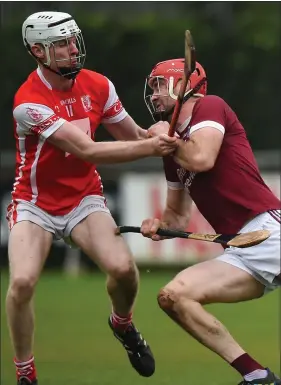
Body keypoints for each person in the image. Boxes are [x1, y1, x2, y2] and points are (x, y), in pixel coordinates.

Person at [6, 11, 178, 385]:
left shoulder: (98, 85)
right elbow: (90, 151)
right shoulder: (28, 102)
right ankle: (25, 373)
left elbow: (131, 134)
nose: (72, 49)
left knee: (123, 271)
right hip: (33, 203)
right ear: (38, 51)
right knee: (21, 283)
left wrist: (157, 131)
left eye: (72, 40)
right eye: (61, 44)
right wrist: (152, 148)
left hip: (84, 199)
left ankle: (123, 324)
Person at [141, 58, 281, 384]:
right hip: (240, 249)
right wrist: (158, 225)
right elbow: (177, 214)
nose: (154, 95)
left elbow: (202, 158)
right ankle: (257, 376)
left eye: (160, 85)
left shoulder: (210, 107)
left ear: (185, 85)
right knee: (173, 296)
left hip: (269, 231)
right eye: (152, 89)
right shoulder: (171, 151)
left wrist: (169, 138)